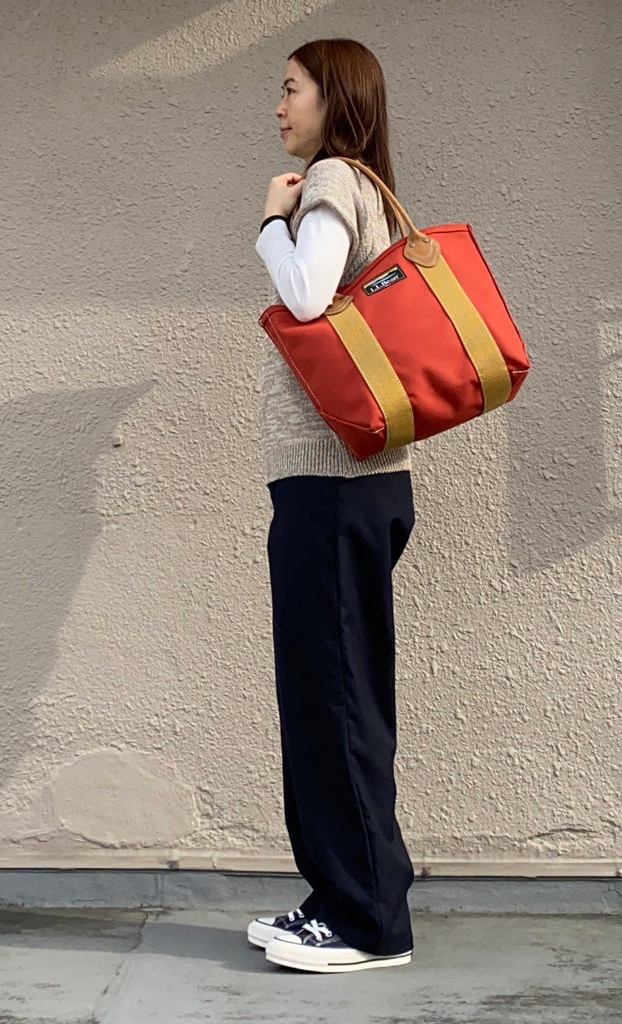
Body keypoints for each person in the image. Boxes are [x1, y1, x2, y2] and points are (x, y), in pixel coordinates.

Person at [247, 39, 416, 974]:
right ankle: (338, 898)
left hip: (334, 489)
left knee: (335, 698)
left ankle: (364, 922)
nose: (278, 107)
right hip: (353, 485)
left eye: (290, 89)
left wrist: (272, 222)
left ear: (333, 98)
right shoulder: (369, 187)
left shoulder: (332, 183)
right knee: (331, 695)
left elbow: (310, 294)